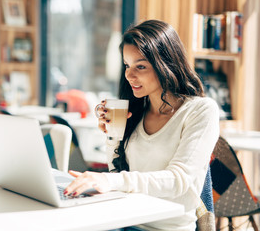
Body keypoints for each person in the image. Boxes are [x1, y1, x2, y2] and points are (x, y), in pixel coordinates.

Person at [63, 20, 220, 230]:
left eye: (141, 66)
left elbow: (179, 180)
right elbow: (117, 171)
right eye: (127, 65)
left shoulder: (201, 111)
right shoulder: (135, 110)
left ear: (166, 64)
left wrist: (110, 182)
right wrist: (112, 136)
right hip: (126, 220)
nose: (129, 75)